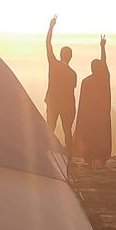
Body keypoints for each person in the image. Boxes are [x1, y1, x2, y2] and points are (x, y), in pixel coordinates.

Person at [73, 35, 111, 169]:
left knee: (90, 138)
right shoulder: (104, 79)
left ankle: (89, 160)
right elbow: (104, 63)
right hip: (101, 116)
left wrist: (102, 48)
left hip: (89, 116)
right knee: (100, 138)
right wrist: (102, 47)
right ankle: (99, 159)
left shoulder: (87, 81)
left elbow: (83, 102)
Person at [45, 15, 77, 152]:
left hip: (53, 101)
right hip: (66, 104)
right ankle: (70, 155)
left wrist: (51, 27)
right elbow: (72, 91)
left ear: (61, 54)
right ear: (70, 57)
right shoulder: (72, 73)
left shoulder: (54, 64)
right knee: (67, 131)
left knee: (49, 128)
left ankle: (46, 151)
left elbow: (48, 43)